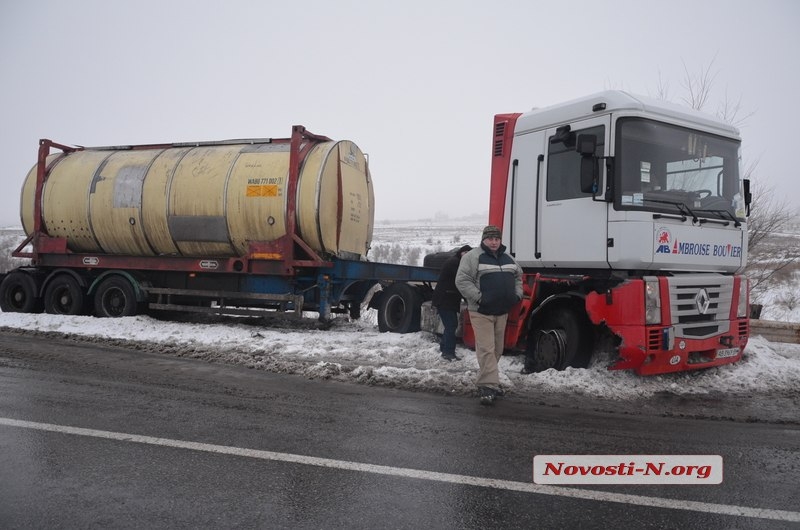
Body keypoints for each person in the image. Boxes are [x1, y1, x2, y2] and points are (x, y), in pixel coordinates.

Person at [455, 225, 522, 405]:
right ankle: (488, 386)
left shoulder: (509, 258)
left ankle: (487, 379)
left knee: (497, 350)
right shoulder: (473, 257)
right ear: (484, 240)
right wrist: (479, 298)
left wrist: (517, 295)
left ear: (500, 240)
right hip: (481, 311)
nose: (493, 242)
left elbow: (518, 277)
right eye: (490, 239)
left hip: (501, 311)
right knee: (486, 348)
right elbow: (462, 280)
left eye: (496, 239)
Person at [432, 244, 472, 361]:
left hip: (446, 299)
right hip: (445, 300)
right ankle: (448, 352)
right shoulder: (455, 263)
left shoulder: (455, 261)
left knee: (450, 325)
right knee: (451, 325)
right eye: (466, 253)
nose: (467, 256)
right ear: (461, 253)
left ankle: (444, 347)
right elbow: (461, 282)